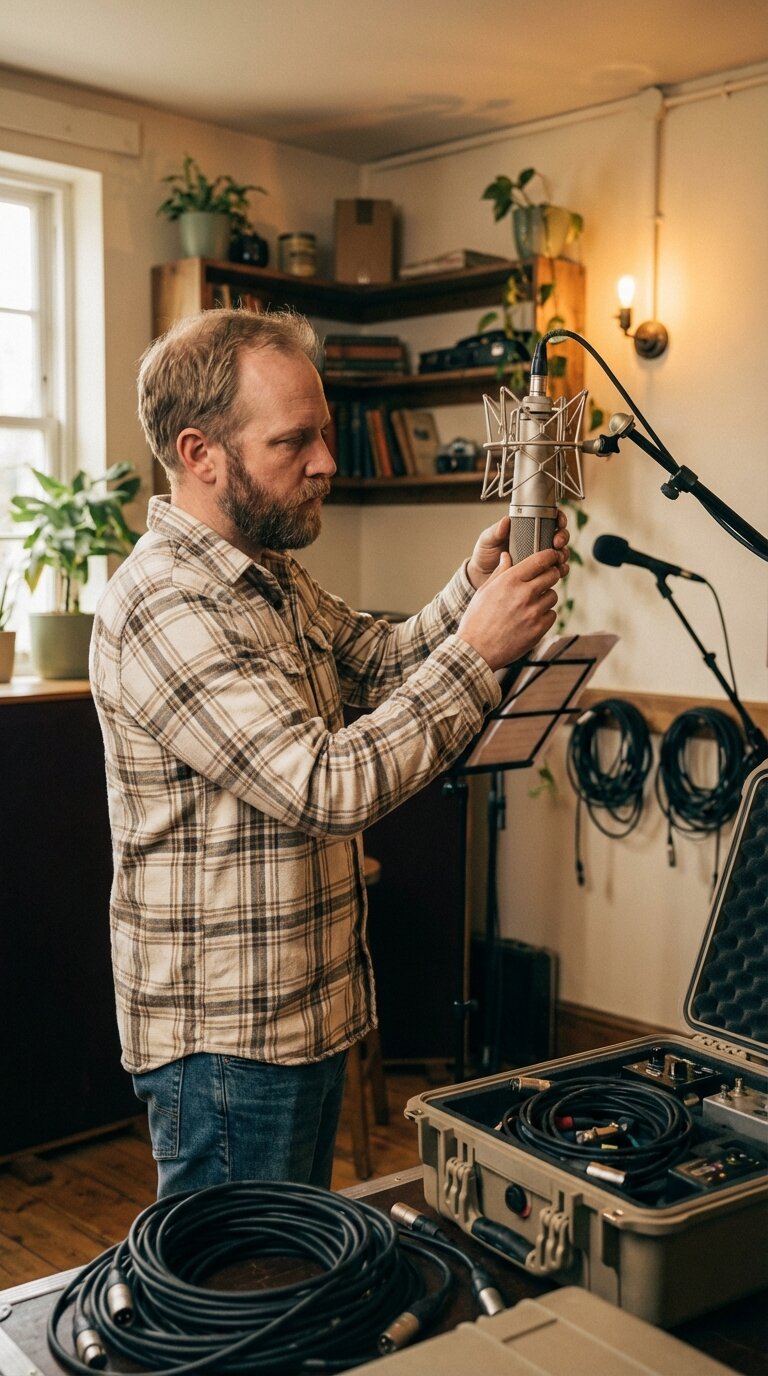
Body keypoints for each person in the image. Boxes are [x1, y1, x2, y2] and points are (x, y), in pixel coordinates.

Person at [90, 308, 569, 1198]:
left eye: (325, 433)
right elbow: (325, 786)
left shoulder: (266, 572)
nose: (326, 462)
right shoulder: (167, 602)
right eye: (293, 441)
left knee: (295, 1286)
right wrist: (477, 651)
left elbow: (381, 664)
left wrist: (473, 590)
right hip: (228, 1044)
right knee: (237, 1307)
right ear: (201, 454)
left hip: (304, 1014)